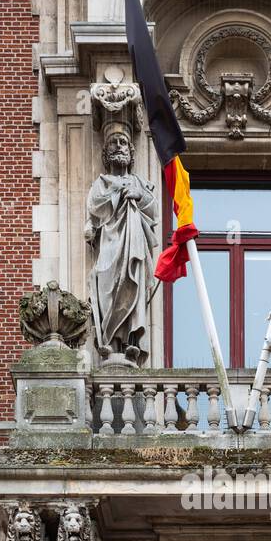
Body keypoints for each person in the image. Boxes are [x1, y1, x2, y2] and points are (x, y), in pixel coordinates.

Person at [85, 126, 158, 363]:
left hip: (133, 243)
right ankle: (110, 342)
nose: (119, 146)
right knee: (108, 288)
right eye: (114, 143)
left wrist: (137, 194)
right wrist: (118, 192)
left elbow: (153, 210)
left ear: (131, 152)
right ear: (106, 153)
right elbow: (96, 205)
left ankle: (131, 342)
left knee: (133, 285)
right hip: (109, 244)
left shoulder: (139, 182)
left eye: (123, 143)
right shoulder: (101, 183)